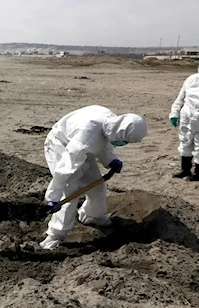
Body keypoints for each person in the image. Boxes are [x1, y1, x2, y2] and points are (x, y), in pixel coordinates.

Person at [40, 106, 147, 250]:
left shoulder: (112, 124)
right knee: (70, 191)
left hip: (81, 149)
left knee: (97, 187)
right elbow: (64, 170)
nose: (124, 144)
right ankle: (55, 236)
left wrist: (110, 160)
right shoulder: (86, 137)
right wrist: (53, 196)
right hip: (61, 146)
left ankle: (92, 216)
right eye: (125, 141)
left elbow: (102, 143)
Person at [169, 70, 199, 181]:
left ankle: (198, 173)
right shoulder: (191, 80)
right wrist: (174, 114)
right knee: (185, 143)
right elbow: (180, 99)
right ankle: (185, 170)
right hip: (186, 119)